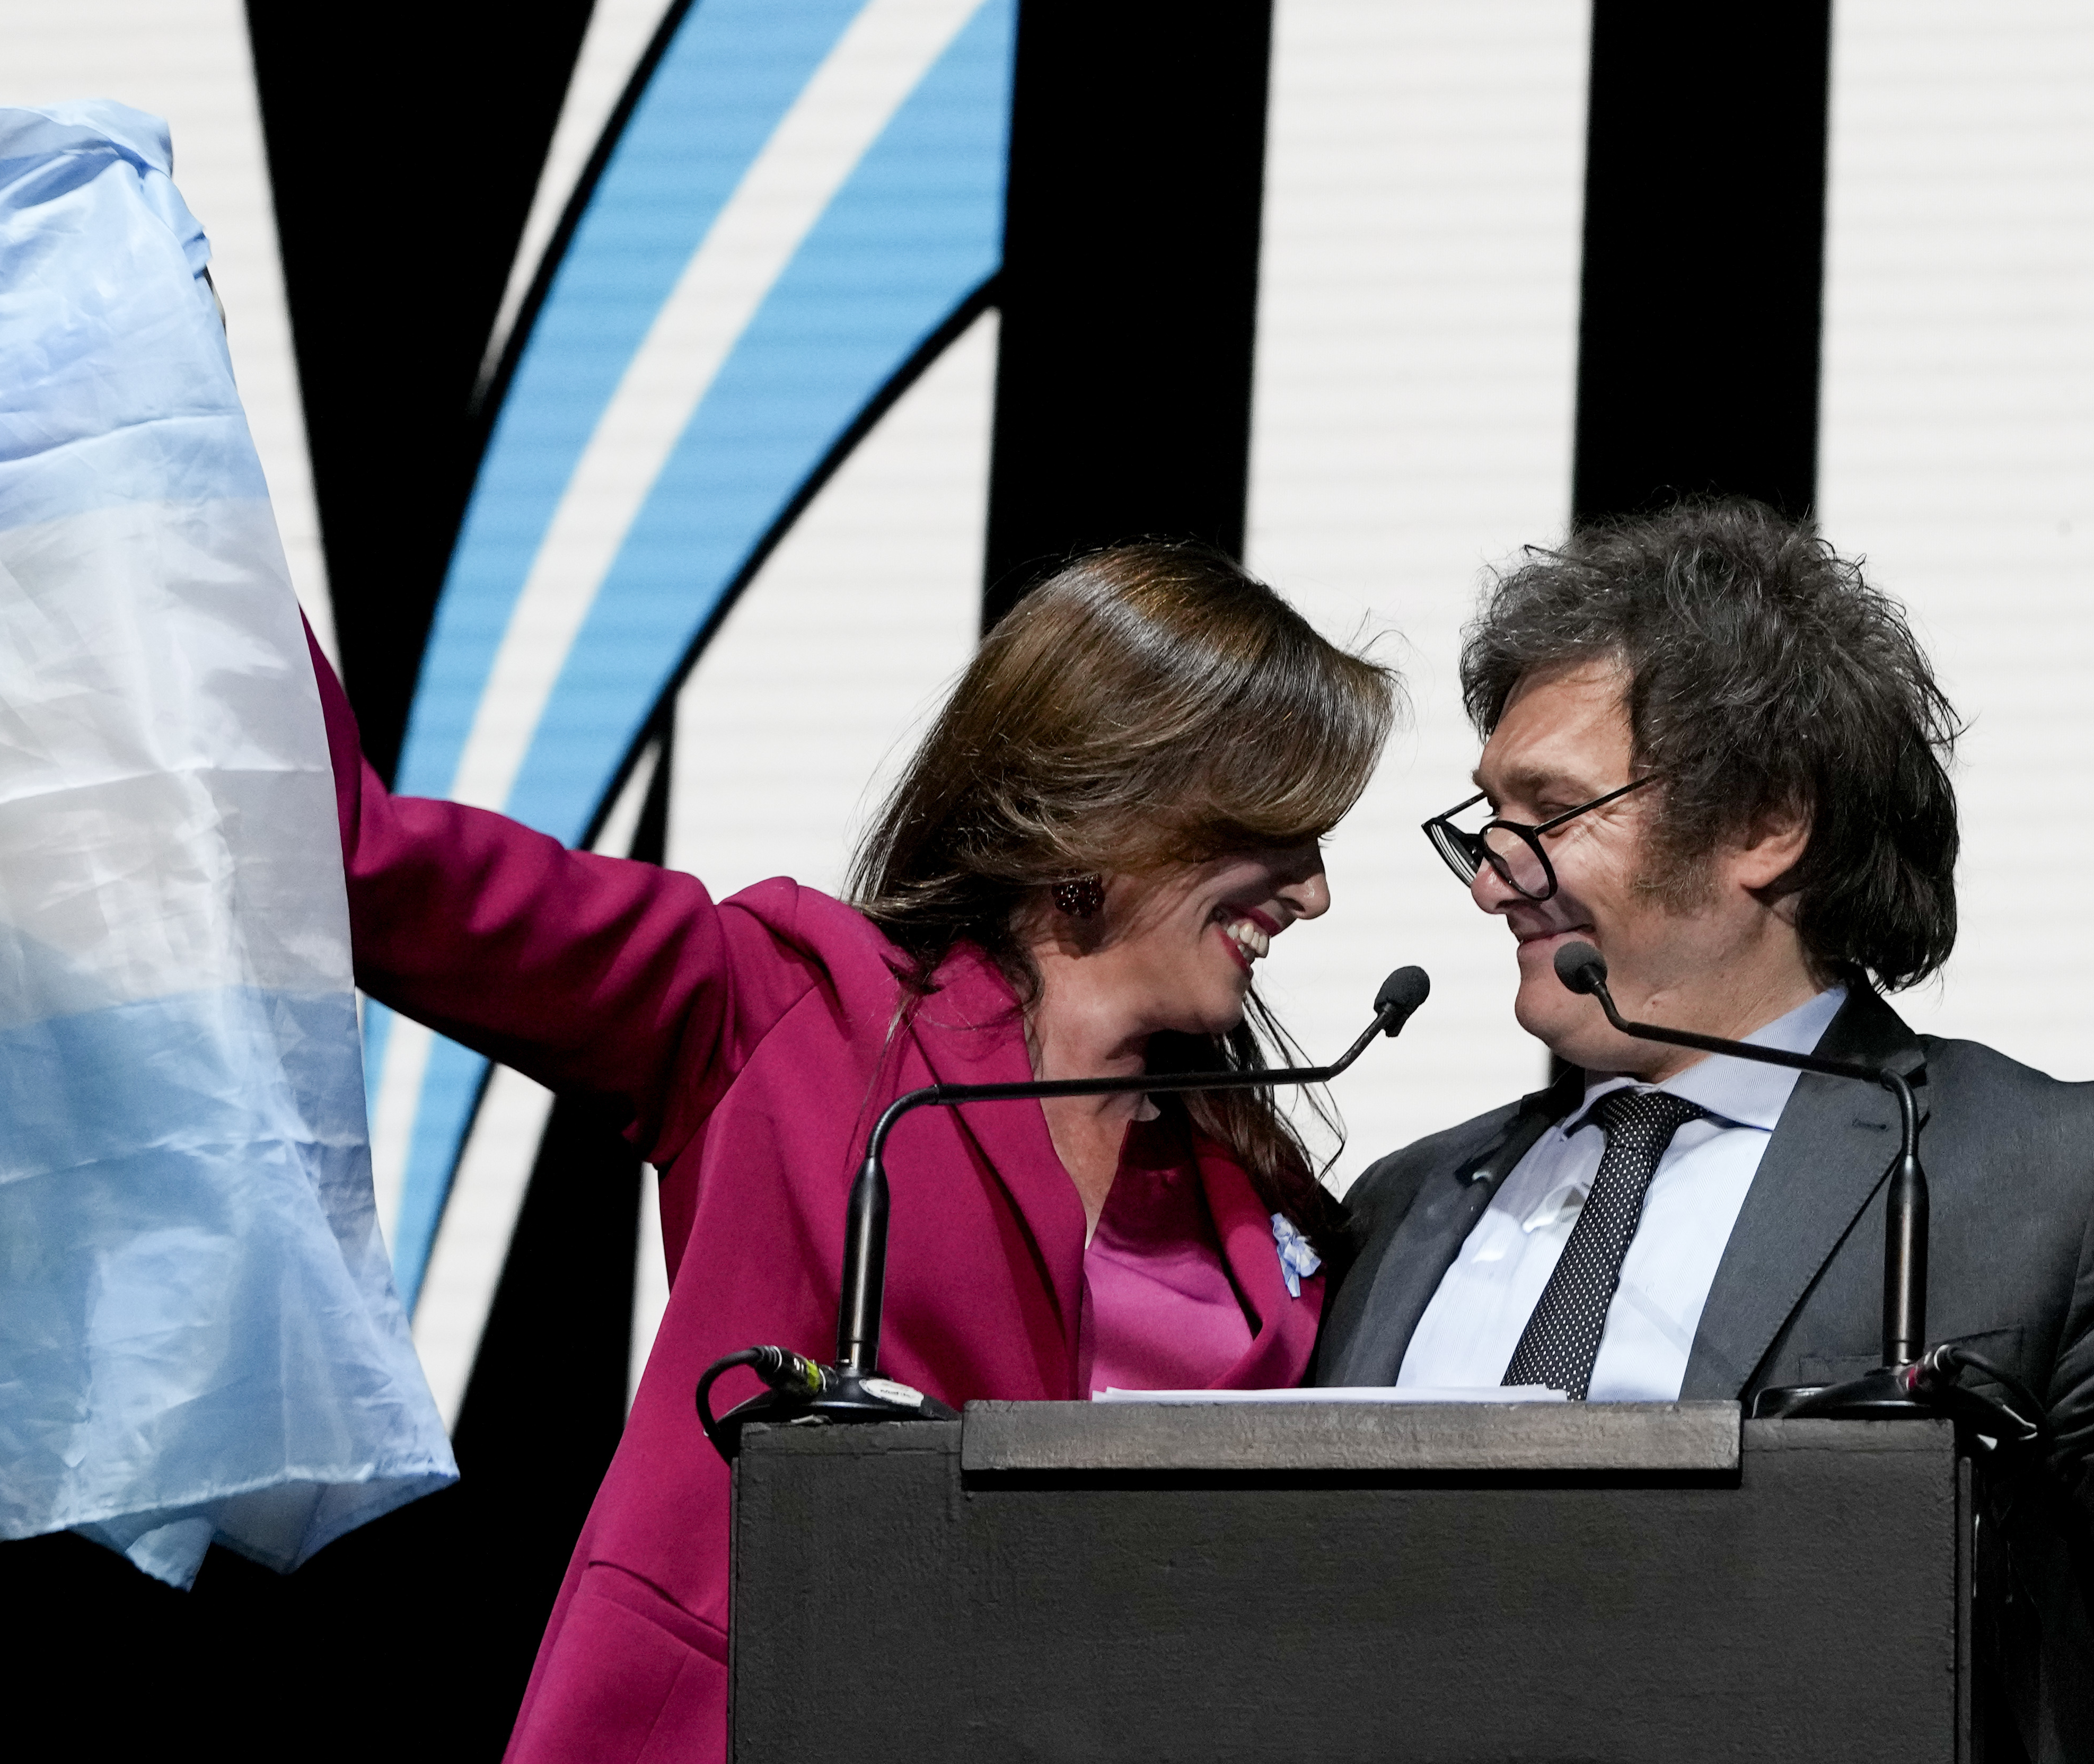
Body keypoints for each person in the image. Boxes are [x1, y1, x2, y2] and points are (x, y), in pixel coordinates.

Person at [1309, 499, 2094, 1756]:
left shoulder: (2045, 1177)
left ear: (1768, 822)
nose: (1493, 874)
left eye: (1547, 813)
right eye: (1482, 821)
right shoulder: (1406, 1199)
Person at [333, 542, 1392, 1762]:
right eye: (1278, 832)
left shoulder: (1258, 1193)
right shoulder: (792, 1010)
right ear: (1120, 798)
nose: (1312, 894)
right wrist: (162, 492)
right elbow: (376, 869)